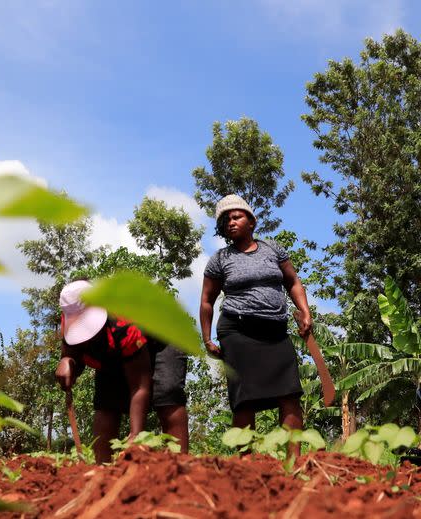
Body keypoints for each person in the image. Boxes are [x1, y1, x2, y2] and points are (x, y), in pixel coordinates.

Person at [200, 194, 312, 457]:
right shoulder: (220, 259)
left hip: (275, 333)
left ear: (251, 221)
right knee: (244, 398)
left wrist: (304, 311)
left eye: (236, 216)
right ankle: (246, 462)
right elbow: (207, 300)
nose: (231, 222)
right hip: (237, 332)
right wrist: (207, 338)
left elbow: (293, 282)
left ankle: (293, 460)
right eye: (226, 220)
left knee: (290, 394)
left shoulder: (273, 249)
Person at [54, 280, 189, 463]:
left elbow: (140, 387)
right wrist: (66, 360)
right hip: (117, 347)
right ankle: (102, 469)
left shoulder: (122, 322)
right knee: (106, 404)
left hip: (163, 337)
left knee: (167, 393)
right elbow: (73, 353)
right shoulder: (70, 316)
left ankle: (180, 465)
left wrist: (136, 435)